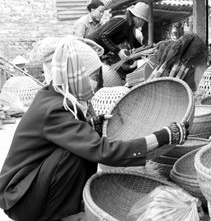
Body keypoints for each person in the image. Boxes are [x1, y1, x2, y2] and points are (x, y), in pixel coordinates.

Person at [0, 36, 188, 221]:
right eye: (92, 76)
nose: (96, 82)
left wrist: (90, 126)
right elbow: (103, 151)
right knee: (76, 153)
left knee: (82, 143)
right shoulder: (54, 108)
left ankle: (65, 208)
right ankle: (56, 214)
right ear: (75, 75)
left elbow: (67, 135)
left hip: (26, 188)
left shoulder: (54, 95)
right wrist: (162, 136)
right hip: (20, 199)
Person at [86, 1, 150, 79]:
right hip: (91, 48)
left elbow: (135, 43)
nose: (142, 25)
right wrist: (118, 51)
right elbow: (103, 36)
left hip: (98, 52)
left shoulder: (129, 26)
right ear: (138, 19)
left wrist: (148, 49)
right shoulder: (122, 21)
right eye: (143, 21)